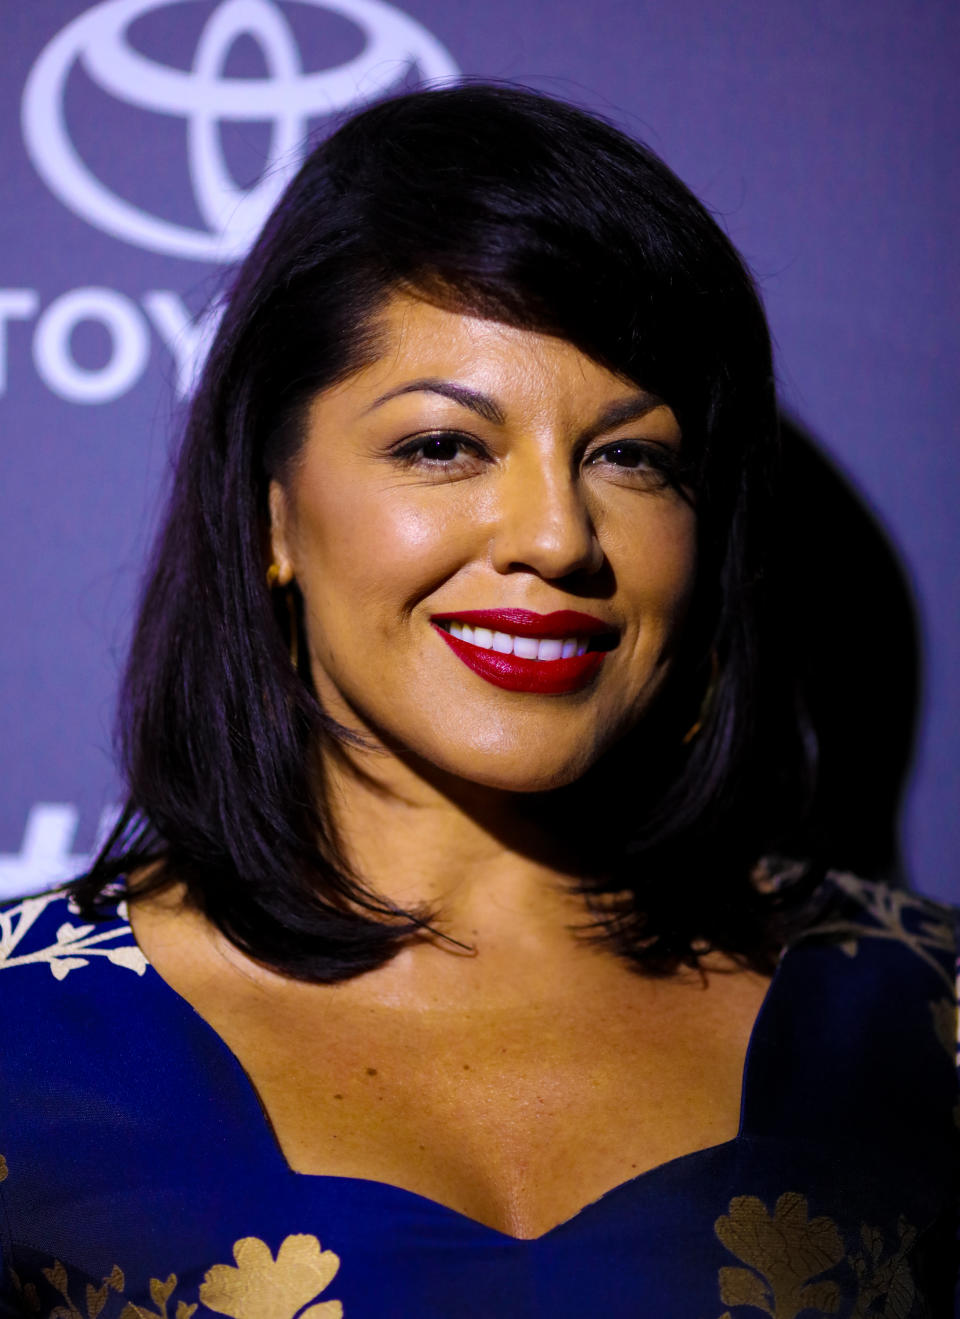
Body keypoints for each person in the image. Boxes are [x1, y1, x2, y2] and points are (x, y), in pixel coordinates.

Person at [0, 85, 955, 1318]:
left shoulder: (928, 1010)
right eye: (443, 447)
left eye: (632, 456)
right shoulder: (18, 1032)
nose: (559, 536)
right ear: (271, 510)